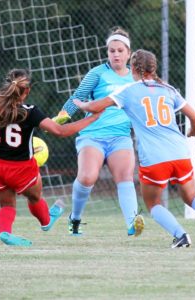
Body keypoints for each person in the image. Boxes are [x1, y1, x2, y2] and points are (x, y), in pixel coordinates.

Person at [73, 49, 195, 248]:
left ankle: (181, 235)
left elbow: (96, 107)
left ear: (134, 69)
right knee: (192, 196)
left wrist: (81, 104)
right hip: (180, 152)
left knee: (153, 204)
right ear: (153, 68)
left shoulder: (128, 90)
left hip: (155, 158)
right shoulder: (168, 89)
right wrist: (192, 132)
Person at [0, 64, 102, 246]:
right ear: (27, 91)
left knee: (7, 205)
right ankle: (46, 222)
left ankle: (5, 232)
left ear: (7, 85)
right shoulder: (30, 111)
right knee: (35, 197)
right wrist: (92, 118)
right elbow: (60, 131)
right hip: (20, 168)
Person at [52, 26, 144, 236]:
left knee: (125, 177)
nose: (116, 54)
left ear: (129, 53)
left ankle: (132, 223)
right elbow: (76, 99)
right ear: (107, 52)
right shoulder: (97, 73)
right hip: (92, 134)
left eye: (120, 50)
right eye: (112, 50)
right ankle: (74, 219)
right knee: (87, 177)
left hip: (120, 136)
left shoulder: (135, 78)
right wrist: (59, 120)